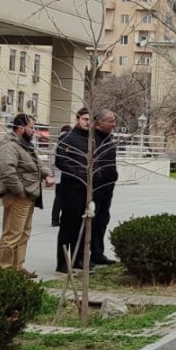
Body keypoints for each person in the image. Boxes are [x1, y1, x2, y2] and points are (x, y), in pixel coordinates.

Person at [55, 109, 120, 271]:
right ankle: (62, 262)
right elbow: (61, 161)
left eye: (89, 120)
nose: (87, 123)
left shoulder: (90, 140)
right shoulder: (68, 138)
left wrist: (98, 175)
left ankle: (78, 259)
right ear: (77, 119)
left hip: (88, 190)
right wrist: (80, 174)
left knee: (81, 227)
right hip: (72, 189)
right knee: (68, 226)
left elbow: (96, 162)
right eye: (84, 119)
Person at [0, 113, 52, 276]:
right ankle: (4, 271)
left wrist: (46, 174)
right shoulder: (9, 146)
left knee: (23, 234)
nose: (34, 131)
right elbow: (7, 172)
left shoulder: (25, 145)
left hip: (29, 196)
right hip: (18, 196)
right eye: (32, 128)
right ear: (21, 128)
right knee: (12, 235)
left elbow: (37, 163)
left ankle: (18, 267)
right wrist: (20, 192)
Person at [50, 119, 77, 227]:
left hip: (58, 175)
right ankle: (60, 219)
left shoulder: (56, 144)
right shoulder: (67, 143)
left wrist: (53, 172)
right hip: (66, 175)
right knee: (66, 198)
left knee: (58, 198)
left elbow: (52, 161)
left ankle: (55, 219)